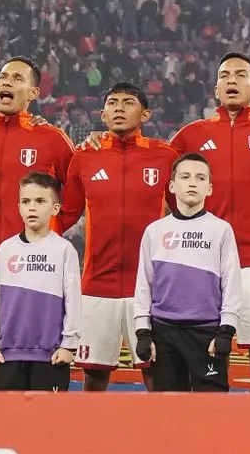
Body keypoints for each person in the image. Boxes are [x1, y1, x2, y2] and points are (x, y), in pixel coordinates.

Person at [172, 50, 250, 397]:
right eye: (225, 75)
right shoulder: (191, 135)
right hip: (203, 264)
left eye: (241, 75)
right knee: (209, 360)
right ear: (215, 88)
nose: (232, 80)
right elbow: (156, 169)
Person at [0, 57, 73, 363]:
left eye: (17, 79)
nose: (7, 82)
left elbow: (76, 195)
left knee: (43, 363)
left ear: (34, 93)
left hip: (40, 273)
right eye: (3, 77)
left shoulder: (52, 140)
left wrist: (48, 234)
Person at [61, 81, 172, 392]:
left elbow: (185, 214)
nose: (119, 108)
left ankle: (168, 440)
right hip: (97, 284)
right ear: (102, 113)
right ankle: (89, 441)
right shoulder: (84, 156)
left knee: (156, 374)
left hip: (151, 287)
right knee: (94, 375)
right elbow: (65, 214)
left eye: (128, 102)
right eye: (112, 103)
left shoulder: (165, 156)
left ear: (146, 114)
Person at [133, 155, 242, 393]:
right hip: (164, 331)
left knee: (211, 409)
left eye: (200, 178)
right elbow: (144, 285)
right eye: (185, 177)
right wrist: (143, 331)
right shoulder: (155, 231)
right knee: (169, 411)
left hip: (206, 333)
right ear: (172, 186)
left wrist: (226, 331)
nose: (192, 183)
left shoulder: (221, 230)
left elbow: (232, 285)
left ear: (209, 188)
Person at [0, 173, 81, 392]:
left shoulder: (63, 250)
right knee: (11, 424)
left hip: (51, 357)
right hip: (8, 355)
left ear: (55, 208)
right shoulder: (6, 249)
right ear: (19, 207)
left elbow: (73, 301)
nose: (32, 207)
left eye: (40, 201)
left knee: (48, 424)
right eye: (26, 201)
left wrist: (69, 345)